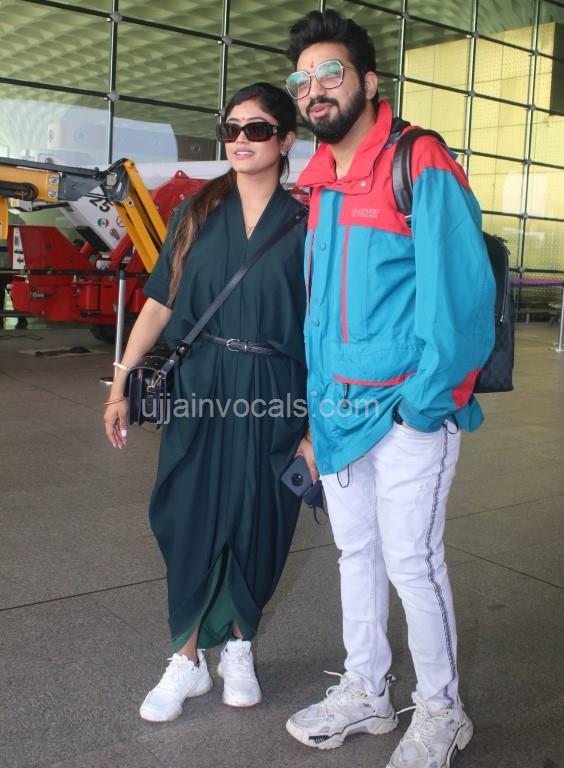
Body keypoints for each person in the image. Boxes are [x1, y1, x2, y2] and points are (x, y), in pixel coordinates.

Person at [284, 10, 495, 768]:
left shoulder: (418, 160)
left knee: (412, 561)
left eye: (330, 72)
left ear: (369, 83)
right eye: (302, 79)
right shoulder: (320, 185)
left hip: (408, 412)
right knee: (356, 554)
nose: (314, 88)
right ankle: (368, 691)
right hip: (339, 413)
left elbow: (461, 299)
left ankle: (442, 709)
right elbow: (319, 319)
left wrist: (422, 408)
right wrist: (316, 416)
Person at [103, 82, 315, 723]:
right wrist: (120, 384)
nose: (241, 140)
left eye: (257, 129)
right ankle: (187, 657)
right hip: (202, 388)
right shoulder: (196, 212)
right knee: (188, 512)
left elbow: (323, 328)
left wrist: (317, 426)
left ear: (285, 140)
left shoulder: (309, 223)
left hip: (276, 391)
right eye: (231, 129)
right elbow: (159, 304)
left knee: (262, 516)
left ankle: (241, 645)